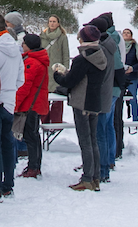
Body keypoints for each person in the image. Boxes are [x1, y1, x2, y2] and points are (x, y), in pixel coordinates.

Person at [53, 24, 106, 191]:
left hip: (82, 102)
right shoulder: (100, 55)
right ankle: (95, 177)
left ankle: (87, 178)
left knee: (85, 142)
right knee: (93, 141)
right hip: (94, 101)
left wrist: (58, 75)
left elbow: (70, 81)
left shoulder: (82, 59)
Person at [0, 12, 24, 200]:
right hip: (9, 101)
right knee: (7, 144)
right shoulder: (16, 47)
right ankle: (8, 184)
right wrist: (10, 90)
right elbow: (20, 78)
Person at [86, 14, 118, 181]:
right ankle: (104, 166)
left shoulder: (102, 48)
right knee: (105, 130)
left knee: (100, 133)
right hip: (108, 92)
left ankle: (102, 169)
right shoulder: (110, 44)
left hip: (102, 94)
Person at [16, 33, 49, 178]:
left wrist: (15, 104)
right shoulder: (37, 60)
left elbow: (25, 86)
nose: (22, 45)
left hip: (30, 105)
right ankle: (35, 165)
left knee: (30, 136)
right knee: (34, 136)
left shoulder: (31, 62)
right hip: (36, 104)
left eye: (24, 43)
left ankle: (33, 166)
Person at [40, 15, 69, 94]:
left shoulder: (62, 37)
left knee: (57, 98)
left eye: (54, 21)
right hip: (45, 68)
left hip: (57, 69)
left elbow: (65, 54)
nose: (52, 23)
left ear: (58, 23)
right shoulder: (42, 36)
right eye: (50, 21)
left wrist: (65, 70)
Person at [121, 29, 138, 121]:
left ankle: (135, 120)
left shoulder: (136, 48)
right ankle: (118, 120)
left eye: (128, 33)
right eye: (124, 33)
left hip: (133, 77)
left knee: (133, 98)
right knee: (119, 100)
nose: (126, 34)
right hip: (120, 77)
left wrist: (132, 68)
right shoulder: (118, 47)